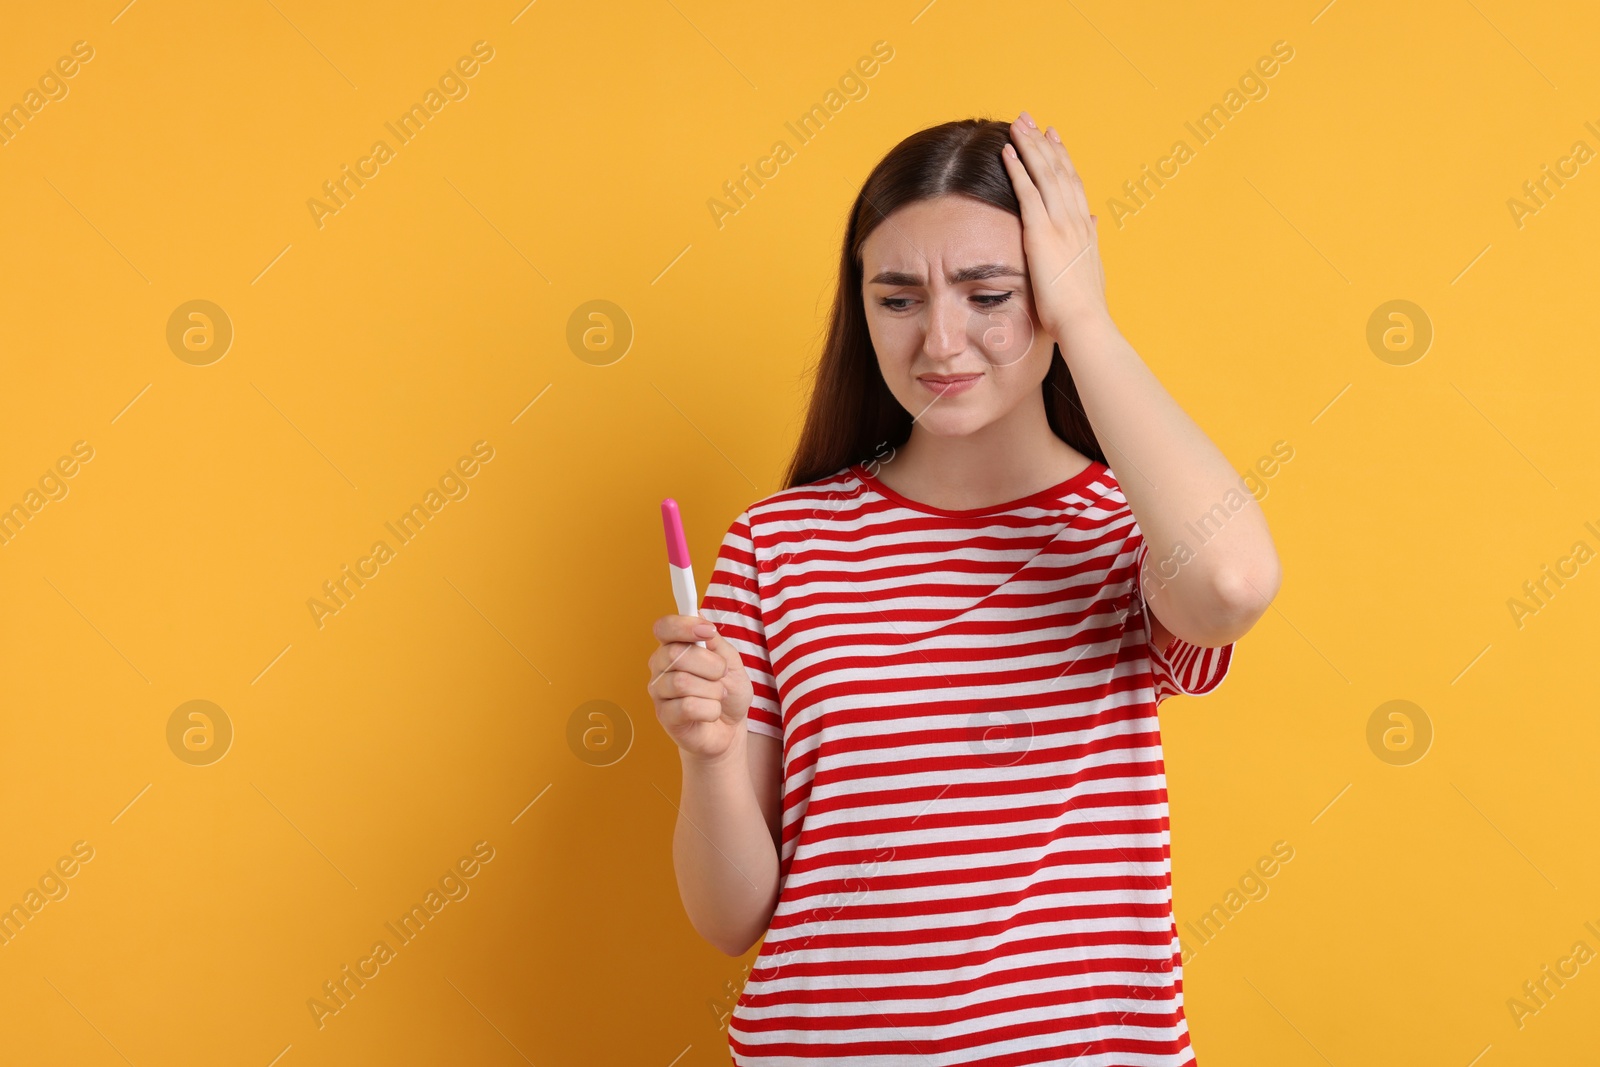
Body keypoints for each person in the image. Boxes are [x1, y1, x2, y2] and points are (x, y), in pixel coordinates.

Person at [647, 112, 1282, 1066]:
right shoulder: (777, 546)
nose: (941, 341)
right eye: (897, 298)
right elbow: (731, 917)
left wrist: (1090, 319)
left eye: (990, 293)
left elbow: (1233, 582)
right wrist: (705, 755)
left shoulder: (1125, 532)